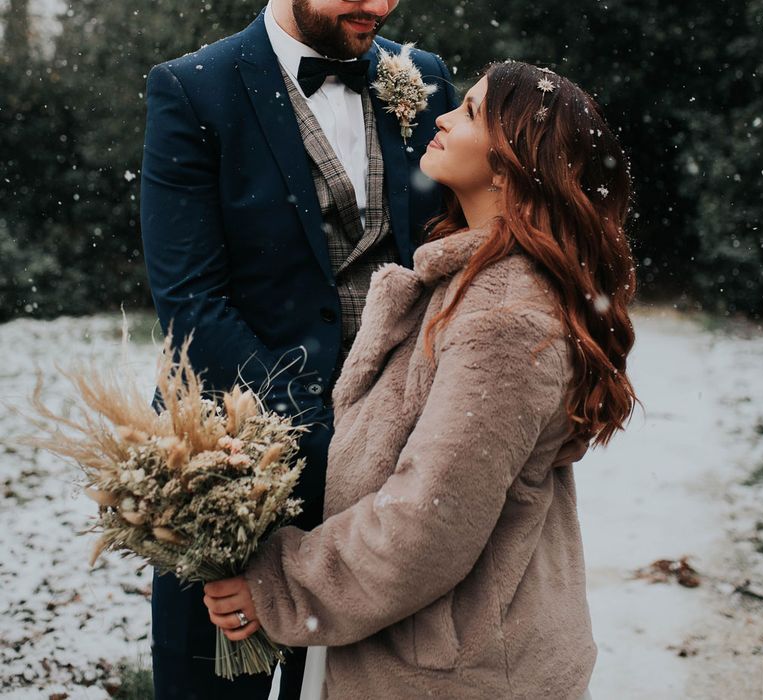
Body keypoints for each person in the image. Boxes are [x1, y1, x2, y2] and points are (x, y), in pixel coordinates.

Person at [202, 60, 638, 699]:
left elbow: (431, 521)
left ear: (512, 159)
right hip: (429, 652)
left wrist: (283, 585)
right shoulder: (475, 283)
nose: (441, 117)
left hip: (459, 672)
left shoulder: (506, 316)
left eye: (468, 113)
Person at [139, 0, 458, 697]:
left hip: (390, 474)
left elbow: (451, 250)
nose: (378, 5)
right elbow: (192, 305)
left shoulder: (422, 77)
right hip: (234, 463)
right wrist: (320, 433)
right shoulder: (192, 88)